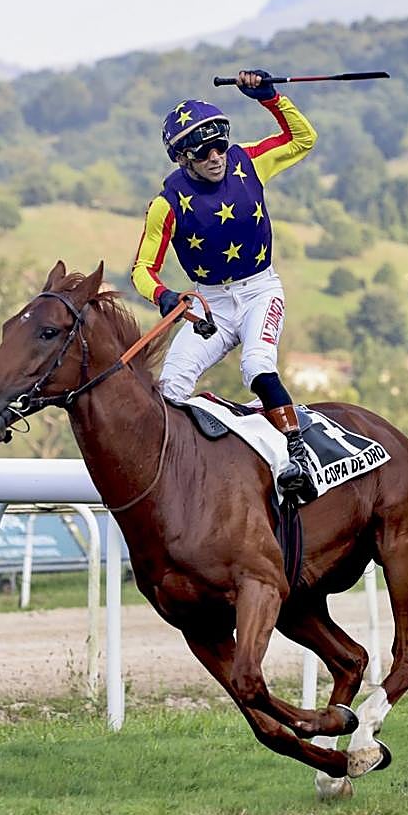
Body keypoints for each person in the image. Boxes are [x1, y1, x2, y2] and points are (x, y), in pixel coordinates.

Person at [131, 68, 318, 502]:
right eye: (203, 152)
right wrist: (165, 296)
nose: (216, 157)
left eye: (219, 145)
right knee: (170, 387)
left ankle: (297, 456)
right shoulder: (165, 204)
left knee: (256, 366)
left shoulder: (247, 161)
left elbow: (303, 139)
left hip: (259, 291)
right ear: (182, 159)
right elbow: (142, 268)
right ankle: (183, 478)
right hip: (210, 304)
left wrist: (270, 99)